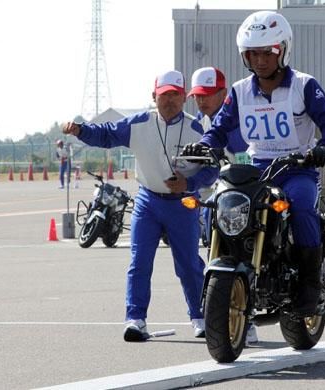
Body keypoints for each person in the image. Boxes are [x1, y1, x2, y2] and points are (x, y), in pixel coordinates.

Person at [183, 11, 325, 317]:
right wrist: (203, 146)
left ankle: (310, 284)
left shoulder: (305, 85)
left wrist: (322, 148)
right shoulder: (240, 91)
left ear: (282, 50)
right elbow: (218, 129)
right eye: (252, 53)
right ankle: (229, 264)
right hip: (257, 168)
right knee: (221, 203)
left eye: (267, 52)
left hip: (297, 167)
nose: (260, 60)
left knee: (301, 206)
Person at [63, 70, 219, 342]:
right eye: (163, 95)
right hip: (148, 201)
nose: (169, 101)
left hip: (183, 203)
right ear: (153, 96)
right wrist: (81, 130)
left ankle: (200, 317)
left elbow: (212, 169)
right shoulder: (140, 123)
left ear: (184, 98)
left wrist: (189, 184)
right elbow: (107, 134)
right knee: (139, 261)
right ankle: (135, 319)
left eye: (175, 95)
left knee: (188, 264)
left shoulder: (197, 129)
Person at [187, 66, 259, 344]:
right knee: (216, 250)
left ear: (223, 94)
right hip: (221, 199)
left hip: (243, 197)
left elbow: (246, 160)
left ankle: (248, 318)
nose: (201, 101)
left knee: (246, 253)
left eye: (207, 95)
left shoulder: (236, 123)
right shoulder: (204, 123)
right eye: (197, 96)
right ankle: (225, 315)